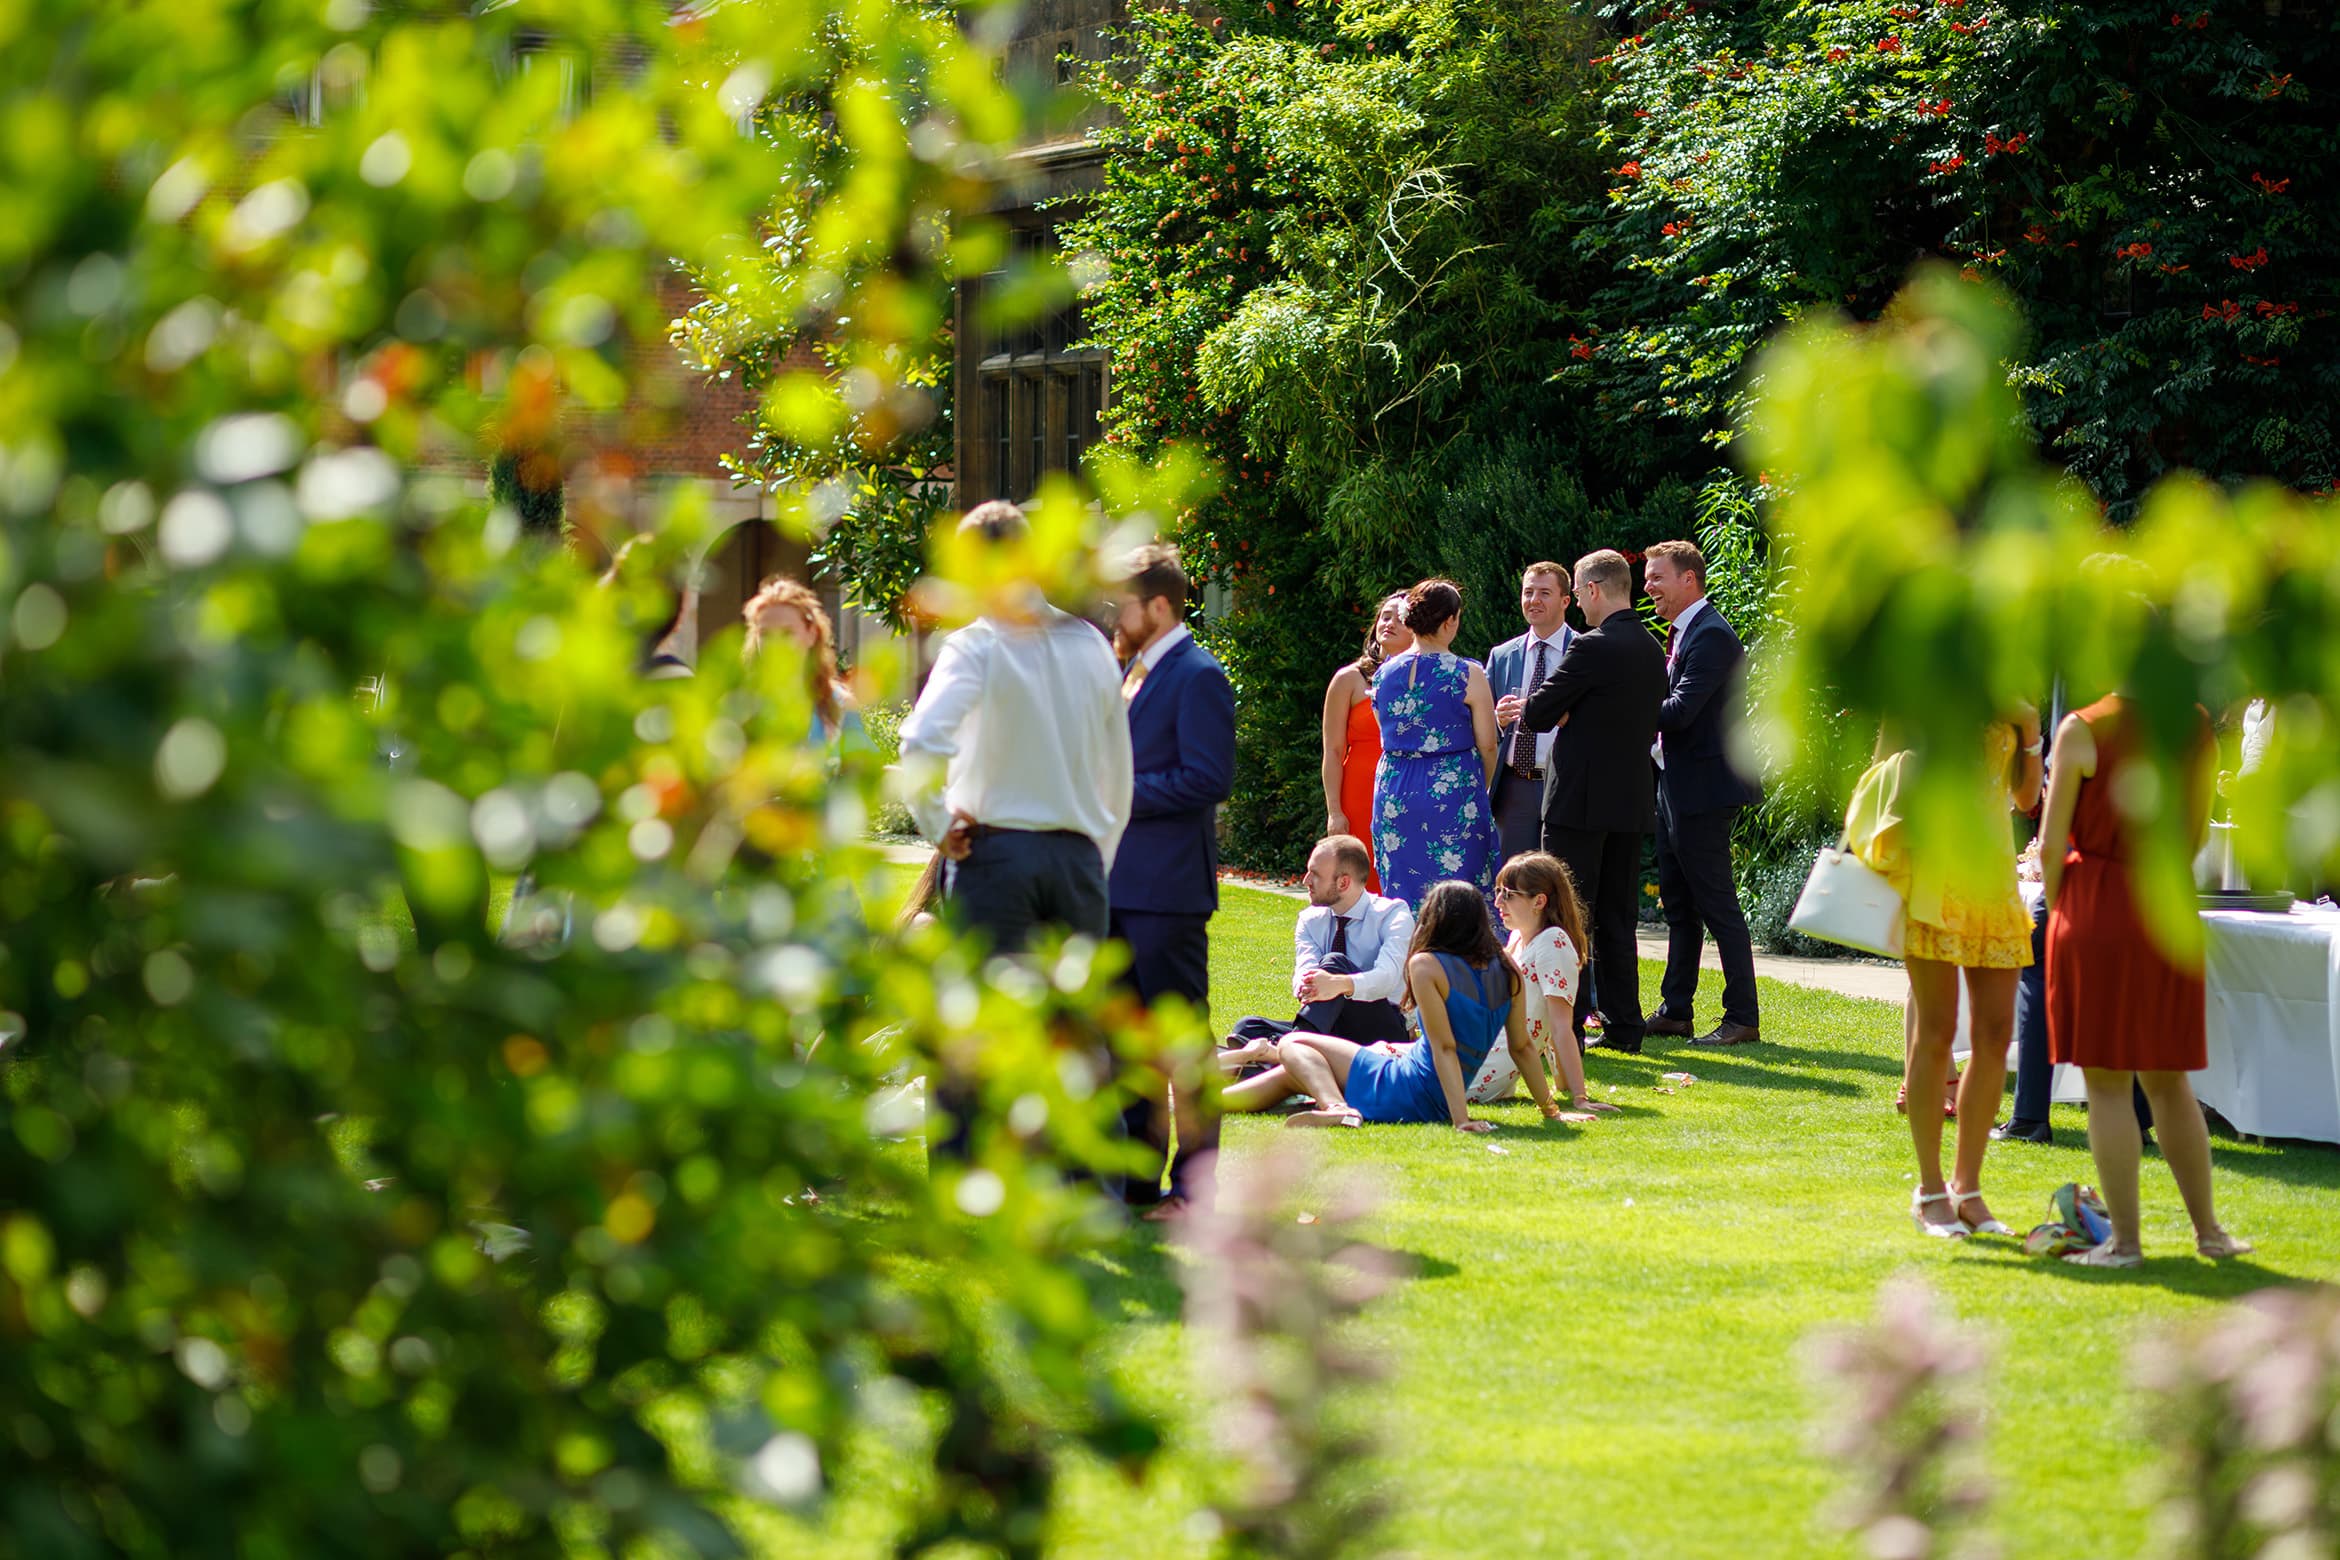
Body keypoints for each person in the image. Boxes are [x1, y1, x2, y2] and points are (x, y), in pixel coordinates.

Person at [894, 500, 1134, 1160]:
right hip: (1078, 861)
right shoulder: (1089, 642)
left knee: (972, 1031)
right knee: (1078, 1036)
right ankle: (1090, 1192)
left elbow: (921, 742)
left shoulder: (977, 641)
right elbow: (1119, 771)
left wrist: (940, 826)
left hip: (997, 858)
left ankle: (965, 1185)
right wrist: (1095, 855)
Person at [2042, 693, 2253, 1266]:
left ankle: (2127, 1245)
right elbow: (2195, 836)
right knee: (2169, 1081)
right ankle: (2208, 1232)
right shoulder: (2193, 723)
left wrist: (2068, 914)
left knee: (2108, 1085)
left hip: (2096, 908)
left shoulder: (2081, 728)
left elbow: (2051, 847)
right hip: (2166, 903)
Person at [1847, 714, 2041, 1238]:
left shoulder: (2012, 692)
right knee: (1936, 1030)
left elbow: (2025, 799)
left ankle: (1968, 1188)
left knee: (1996, 1034)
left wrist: (2031, 731)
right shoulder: (1924, 677)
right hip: (1933, 875)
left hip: (1993, 880)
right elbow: (1877, 778)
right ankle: (1930, 1190)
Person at [1106, 542, 1237, 1220]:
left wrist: (1115, 790)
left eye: (1123, 604)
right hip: (1118, 890)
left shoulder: (1197, 674)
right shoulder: (1133, 671)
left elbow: (1207, 778)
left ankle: (1194, 1191)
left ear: (1158, 605)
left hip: (1167, 893)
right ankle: (1131, 1185)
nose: (1114, 615)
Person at [1219, 881, 1564, 1130]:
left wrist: (1462, 1120)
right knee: (1295, 1071)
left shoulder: (1428, 964)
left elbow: (1444, 1046)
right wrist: (1551, 1111)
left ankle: (1336, 1108)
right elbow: (1522, 1047)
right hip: (1433, 1093)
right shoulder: (1507, 969)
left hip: (1407, 1087)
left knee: (1295, 1042)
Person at [1517, 549, 1668, 1055]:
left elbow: (1537, 712)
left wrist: (1566, 712)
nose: (1578, 603)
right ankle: (1627, 1027)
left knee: (1565, 916)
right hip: (1629, 800)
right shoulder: (1651, 648)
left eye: (1578, 593)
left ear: (1595, 590)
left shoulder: (1592, 648)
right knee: (1619, 916)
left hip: (1577, 803)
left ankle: (1572, 1028)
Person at [1640, 540, 1764, 1047]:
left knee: (1716, 905)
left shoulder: (1711, 636)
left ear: (1689, 579)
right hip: (1677, 785)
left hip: (1705, 790)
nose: (1649, 588)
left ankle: (1742, 1017)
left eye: (1657, 578)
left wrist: (1621, 703)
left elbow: (1679, 712)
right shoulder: (1685, 633)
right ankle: (1676, 1009)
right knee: (1678, 902)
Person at [1222, 835, 1416, 1063]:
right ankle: (1297, 1058)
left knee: (1335, 963)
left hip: (1382, 1028)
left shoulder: (1392, 915)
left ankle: (1287, 1053)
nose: (1305, 881)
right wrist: (1309, 985)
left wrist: (1338, 984)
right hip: (1329, 1028)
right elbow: (1304, 971)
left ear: (1343, 882)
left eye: (1315, 875)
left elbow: (1387, 979)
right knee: (1247, 1027)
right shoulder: (1310, 919)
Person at [1372, 579, 1500, 908]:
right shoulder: (1468, 673)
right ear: (1450, 621)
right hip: (1453, 789)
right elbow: (1487, 744)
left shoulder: (1383, 674)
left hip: (1395, 789)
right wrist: (1479, 789)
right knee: (1461, 892)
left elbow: (1387, 736)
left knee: (1402, 892)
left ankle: (1409, 957)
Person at [1477, 852, 1618, 1118]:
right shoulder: (1518, 938)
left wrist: (1579, 1097)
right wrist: (1561, 1084)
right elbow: (1547, 1027)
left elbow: (1561, 1026)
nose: (1497, 902)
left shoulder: (1554, 943)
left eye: (1508, 894)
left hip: (1488, 1064)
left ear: (1539, 901)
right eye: (1498, 891)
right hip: (1482, 1044)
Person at [1487, 563, 1575, 876]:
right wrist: (1496, 719)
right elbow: (1479, 722)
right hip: (1516, 786)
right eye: (1528, 592)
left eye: (1544, 593)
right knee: (1513, 880)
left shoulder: (1582, 651)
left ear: (1565, 600)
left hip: (1566, 783)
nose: (1533, 600)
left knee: (1564, 880)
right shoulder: (1502, 655)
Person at [1321, 593, 1413, 891]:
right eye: (1385, 616)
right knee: (1356, 876)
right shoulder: (1349, 679)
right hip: (1359, 793)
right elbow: (1333, 752)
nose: (1390, 623)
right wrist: (1335, 810)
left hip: (1407, 788)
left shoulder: (1425, 678)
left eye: (1400, 618)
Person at [743, 575, 870, 760]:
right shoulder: (739, 706)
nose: (776, 645)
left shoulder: (840, 708)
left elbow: (863, 777)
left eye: (787, 633)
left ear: (811, 634)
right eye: (766, 634)